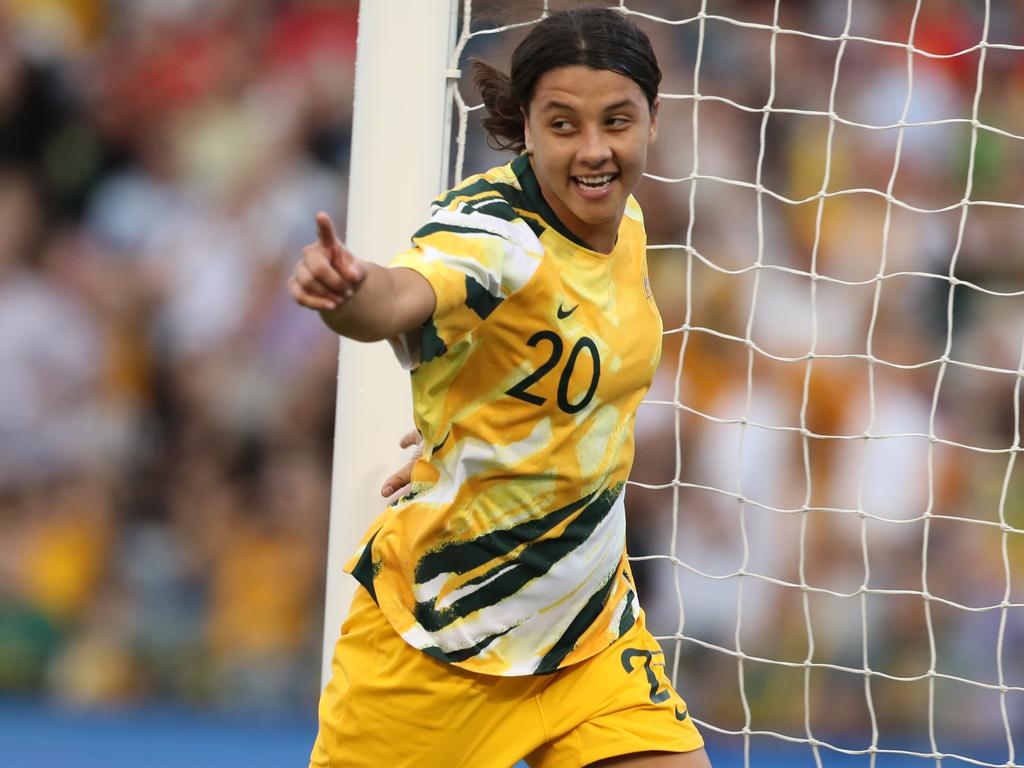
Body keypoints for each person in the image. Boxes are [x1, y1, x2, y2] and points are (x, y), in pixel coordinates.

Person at [289, 9, 712, 768]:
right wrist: (348, 294)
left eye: (617, 121)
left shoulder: (627, 221)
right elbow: (403, 294)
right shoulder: (493, 235)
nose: (593, 151)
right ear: (526, 125)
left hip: (587, 636)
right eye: (563, 125)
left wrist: (474, 428)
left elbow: (529, 374)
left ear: (654, 119)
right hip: (444, 647)